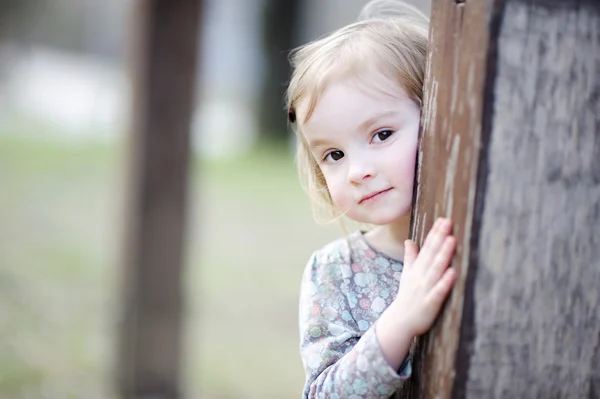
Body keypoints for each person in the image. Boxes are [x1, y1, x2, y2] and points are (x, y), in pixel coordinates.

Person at [285, 0, 457, 397]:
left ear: (435, 117)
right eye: (334, 155)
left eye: (381, 135)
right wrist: (401, 319)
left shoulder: (475, 239)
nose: (356, 171)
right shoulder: (334, 272)